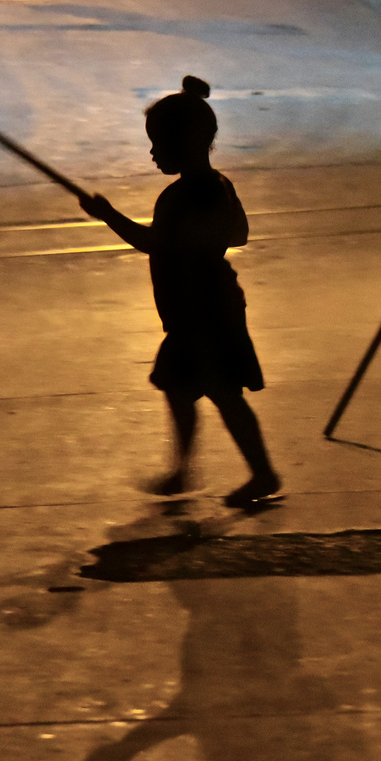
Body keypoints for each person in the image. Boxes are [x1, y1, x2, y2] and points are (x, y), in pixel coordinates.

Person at [78, 75, 281, 506]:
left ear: (188, 140)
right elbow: (240, 233)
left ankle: (259, 473)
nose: (152, 153)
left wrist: (109, 216)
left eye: (158, 144)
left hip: (205, 311)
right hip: (201, 309)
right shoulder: (214, 185)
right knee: (180, 385)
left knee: (224, 394)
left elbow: (157, 244)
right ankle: (185, 471)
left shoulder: (195, 193)